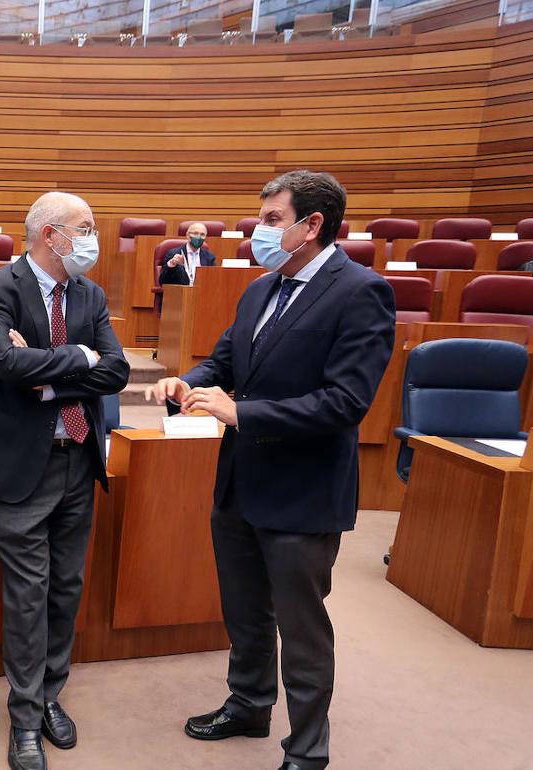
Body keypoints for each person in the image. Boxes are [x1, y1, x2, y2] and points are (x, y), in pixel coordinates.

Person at [146, 170, 395, 770]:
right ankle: (249, 704)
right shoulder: (260, 288)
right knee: (244, 608)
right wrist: (191, 381)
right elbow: (228, 356)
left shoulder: (360, 291)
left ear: (313, 225)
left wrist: (242, 411)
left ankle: (307, 750)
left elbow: (346, 402)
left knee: (301, 626)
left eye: (270, 221)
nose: (256, 231)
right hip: (240, 483)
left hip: (302, 490)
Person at [0, 191, 130, 770]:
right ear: (50, 234)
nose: (94, 237)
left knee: (66, 587)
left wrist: (51, 375)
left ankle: (52, 693)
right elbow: (5, 365)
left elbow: (118, 371)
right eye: (86, 227)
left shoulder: (91, 294)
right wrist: (80, 357)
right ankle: (24, 717)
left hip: (78, 458)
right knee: (27, 596)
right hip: (21, 466)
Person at [159, 221, 217, 286]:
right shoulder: (174, 254)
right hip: (180, 293)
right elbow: (162, 281)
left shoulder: (209, 257)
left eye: (202, 234)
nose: (199, 237)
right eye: (195, 233)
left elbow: (213, 280)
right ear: (187, 235)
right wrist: (172, 264)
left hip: (201, 293)